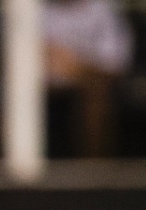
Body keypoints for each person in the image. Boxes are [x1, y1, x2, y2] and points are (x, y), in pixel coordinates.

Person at [41, 0, 132, 157]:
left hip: (88, 86)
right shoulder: (32, 10)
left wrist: (73, 66)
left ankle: (95, 172)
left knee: (96, 92)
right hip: (40, 88)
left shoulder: (103, 9)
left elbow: (114, 67)